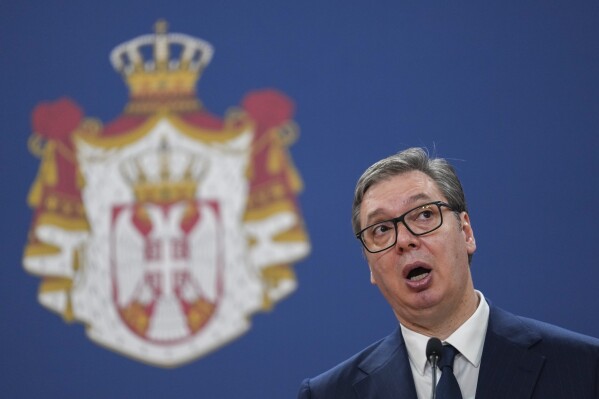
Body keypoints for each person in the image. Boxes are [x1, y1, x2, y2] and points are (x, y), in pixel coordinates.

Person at [297, 147, 599, 399]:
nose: (404, 240)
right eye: (382, 230)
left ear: (466, 232)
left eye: (425, 214)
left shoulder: (584, 367)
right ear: (370, 266)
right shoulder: (328, 394)